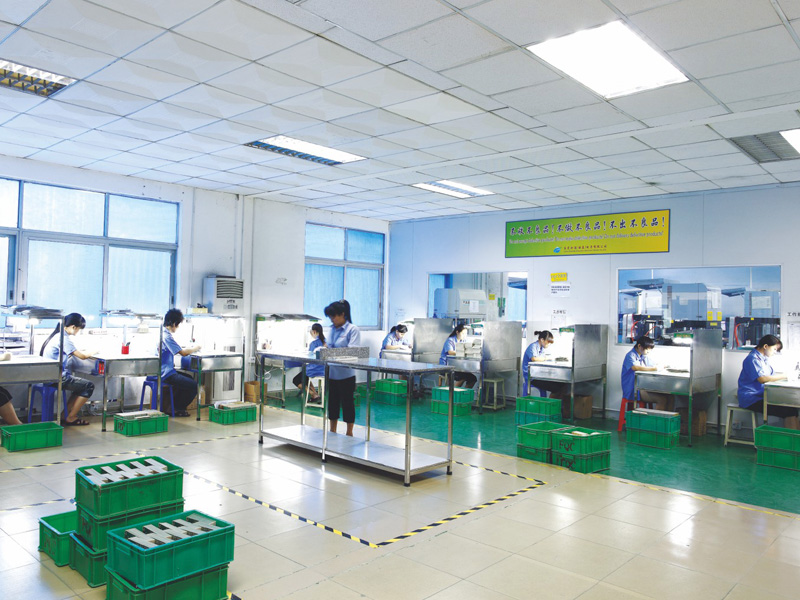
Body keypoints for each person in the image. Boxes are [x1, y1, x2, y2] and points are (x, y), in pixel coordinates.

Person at [41, 313, 95, 426]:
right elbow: (82, 356)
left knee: (80, 387)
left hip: (50, 375)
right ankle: (71, 417)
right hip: (57, 377)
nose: (78, 332)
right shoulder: (63, 338)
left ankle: (65, 415)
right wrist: (94, 351)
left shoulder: (57, 336)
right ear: (73, 327)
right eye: (79, 329)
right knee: (88, 386)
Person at [738, 335, 799, 429]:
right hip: (751, 399)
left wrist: (787, 377)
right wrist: (785, 375)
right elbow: (762, 379)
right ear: (765, 346)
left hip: (761, 396)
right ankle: (791, 438)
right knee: (789, 411)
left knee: (793, 409)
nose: (775, 352)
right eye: (774, 349)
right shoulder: (753, 359)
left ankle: (795, 437)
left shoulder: (764, 359)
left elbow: (770, 376)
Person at [324, 300, 361, 436]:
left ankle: (349, 432)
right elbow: (328, 347)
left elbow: (353, 352)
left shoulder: (352, 329)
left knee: (347, 404)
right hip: (332, 373)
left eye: (334, 316)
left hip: (346, 374)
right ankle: (332, 430)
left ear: (342, 314)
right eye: (330, 317)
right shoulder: (331, 330)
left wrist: (331, 352)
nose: (332, 320)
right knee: (332, 404)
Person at [161, 309, 202, 417]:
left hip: (164, 370)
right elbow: (183, 353)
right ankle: (177, 408)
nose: (177, 327)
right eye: (178, 325)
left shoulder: (161, 333)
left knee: (189, 378)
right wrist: (196, 348)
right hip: (166, 374)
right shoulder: (167, 336)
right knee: (194, 386)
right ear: (174, 323)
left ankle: (173, 407)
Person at [621, 335, 672, 410]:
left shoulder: (643, 356)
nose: (649, 351)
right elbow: (635, 367)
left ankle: (668, 417)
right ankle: (656, 418)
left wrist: (663, 366)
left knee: (670, 396)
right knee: (661, 400)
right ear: (639, 346)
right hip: (634, 389)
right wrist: (654, 369)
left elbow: (653, 364)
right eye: (647, 349)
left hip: (642, 386)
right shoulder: (630, 355)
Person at [522, 330, 567, 398]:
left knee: (562, 384)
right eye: (548, 342)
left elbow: (541, 360)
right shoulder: (533, 346)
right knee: (556, 388)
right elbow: (534, 358)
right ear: (542, 340)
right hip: (531, 377)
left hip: (538, 375)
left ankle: (559, 403)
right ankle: (550, 403)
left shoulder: (542, 349)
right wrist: (546, 358)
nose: (549, 344)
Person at [291, 323, 326, 403]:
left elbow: (310, 357)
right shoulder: (326, 342)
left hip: (314, 369)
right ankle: (315, 394)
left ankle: (313, 394)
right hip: (324, 370)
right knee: (305, 377)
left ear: (314, 331)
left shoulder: (313, 343)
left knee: (296, 380)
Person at [440, 324, 478, 388]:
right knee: (462, 377)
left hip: (457, 368)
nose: (464, 335)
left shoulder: (462, 341)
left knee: (473, 379)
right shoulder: (450, 340)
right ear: (457, 332)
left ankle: (463, 393)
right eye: (463, 333)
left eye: (466, 334)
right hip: (446, 367)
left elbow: (465, 349)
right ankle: (452, 393)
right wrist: (462, 352)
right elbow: (450, 352)